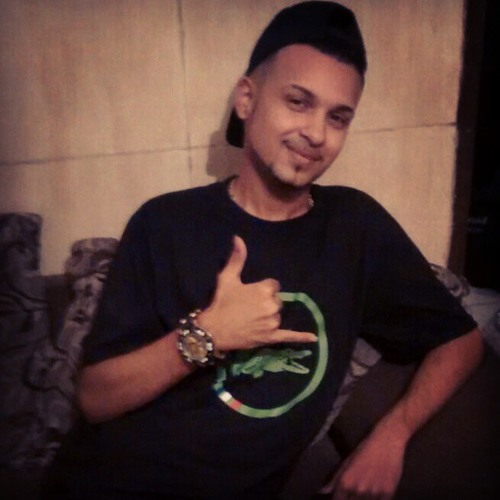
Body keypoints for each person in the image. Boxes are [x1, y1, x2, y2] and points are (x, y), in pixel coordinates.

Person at [47, 2, 483, 499]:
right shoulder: (164, 222)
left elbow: (461, 340)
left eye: (338, 117)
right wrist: (209, 334)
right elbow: (96, 398)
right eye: (297, 102)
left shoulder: (355, 228)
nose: (316, 133)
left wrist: (392, 435)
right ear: (247, 99)